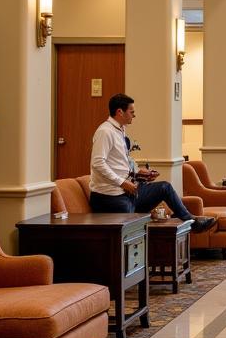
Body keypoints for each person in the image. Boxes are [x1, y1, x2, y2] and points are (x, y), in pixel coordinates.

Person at [88, 93, 217, 233]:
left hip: (128, 192)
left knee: (164, 187)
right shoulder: (105, 132)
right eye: (131, 112)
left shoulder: (120, 130)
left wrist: (138, 172)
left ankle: (190, 221)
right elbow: (98, 163)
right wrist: (122, 182)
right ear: (120, 112)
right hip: (110, 197)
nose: (134, 116)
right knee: (132, 221)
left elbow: (121, 161)